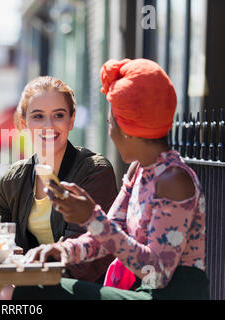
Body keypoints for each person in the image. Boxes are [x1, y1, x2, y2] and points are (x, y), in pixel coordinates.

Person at [13, 58, 209, 300]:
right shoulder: (139, 170)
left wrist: (90, 217)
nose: (110, 131)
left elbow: (156, 274)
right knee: (33, 285)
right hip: (143, 292)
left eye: (110, 123)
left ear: (127, 129)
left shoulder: (174, 181)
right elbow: (106, 237)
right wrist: (61, 250)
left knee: (35, 292)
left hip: (165, 295)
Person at [0, 76, 118, 283]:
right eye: (38, 116)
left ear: (71, 120)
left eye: (58, 115)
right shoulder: (16, 177)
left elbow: (81, 260)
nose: (49, 125)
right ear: (23, 123)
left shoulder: (94, 171)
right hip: (31, 280)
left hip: (81, 287)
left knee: (0, 294)